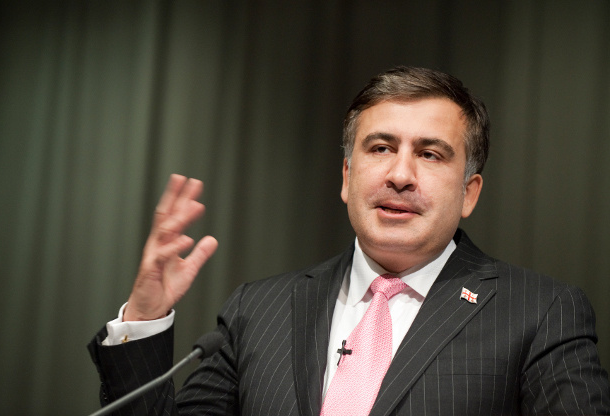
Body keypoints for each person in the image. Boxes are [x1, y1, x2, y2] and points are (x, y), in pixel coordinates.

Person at [88, 66, 610, 415]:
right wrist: (145, 318)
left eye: (429, 154)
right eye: (380, 148)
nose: (400, 175)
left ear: (469, 192)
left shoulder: (539, 313)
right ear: (346, 176)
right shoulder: (258, 310)